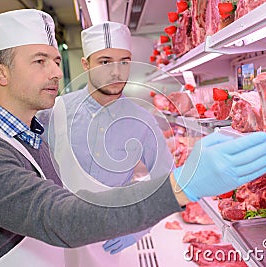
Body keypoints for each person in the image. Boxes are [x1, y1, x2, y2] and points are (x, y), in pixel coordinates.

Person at [0, 9, 266, 267]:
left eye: (55, 60)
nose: (55, 72)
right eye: (39, 61)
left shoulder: (28, 136)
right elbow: (59, 217)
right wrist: (181, 186)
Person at [38, 21, 175, 257]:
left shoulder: (143, 121)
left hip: (108, 243)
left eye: (124, 62)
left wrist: (137, 230)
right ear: (85, 64)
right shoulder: (54, 112)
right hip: (52, 240)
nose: (116, 72)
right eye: (104, 62)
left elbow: (167, 184)